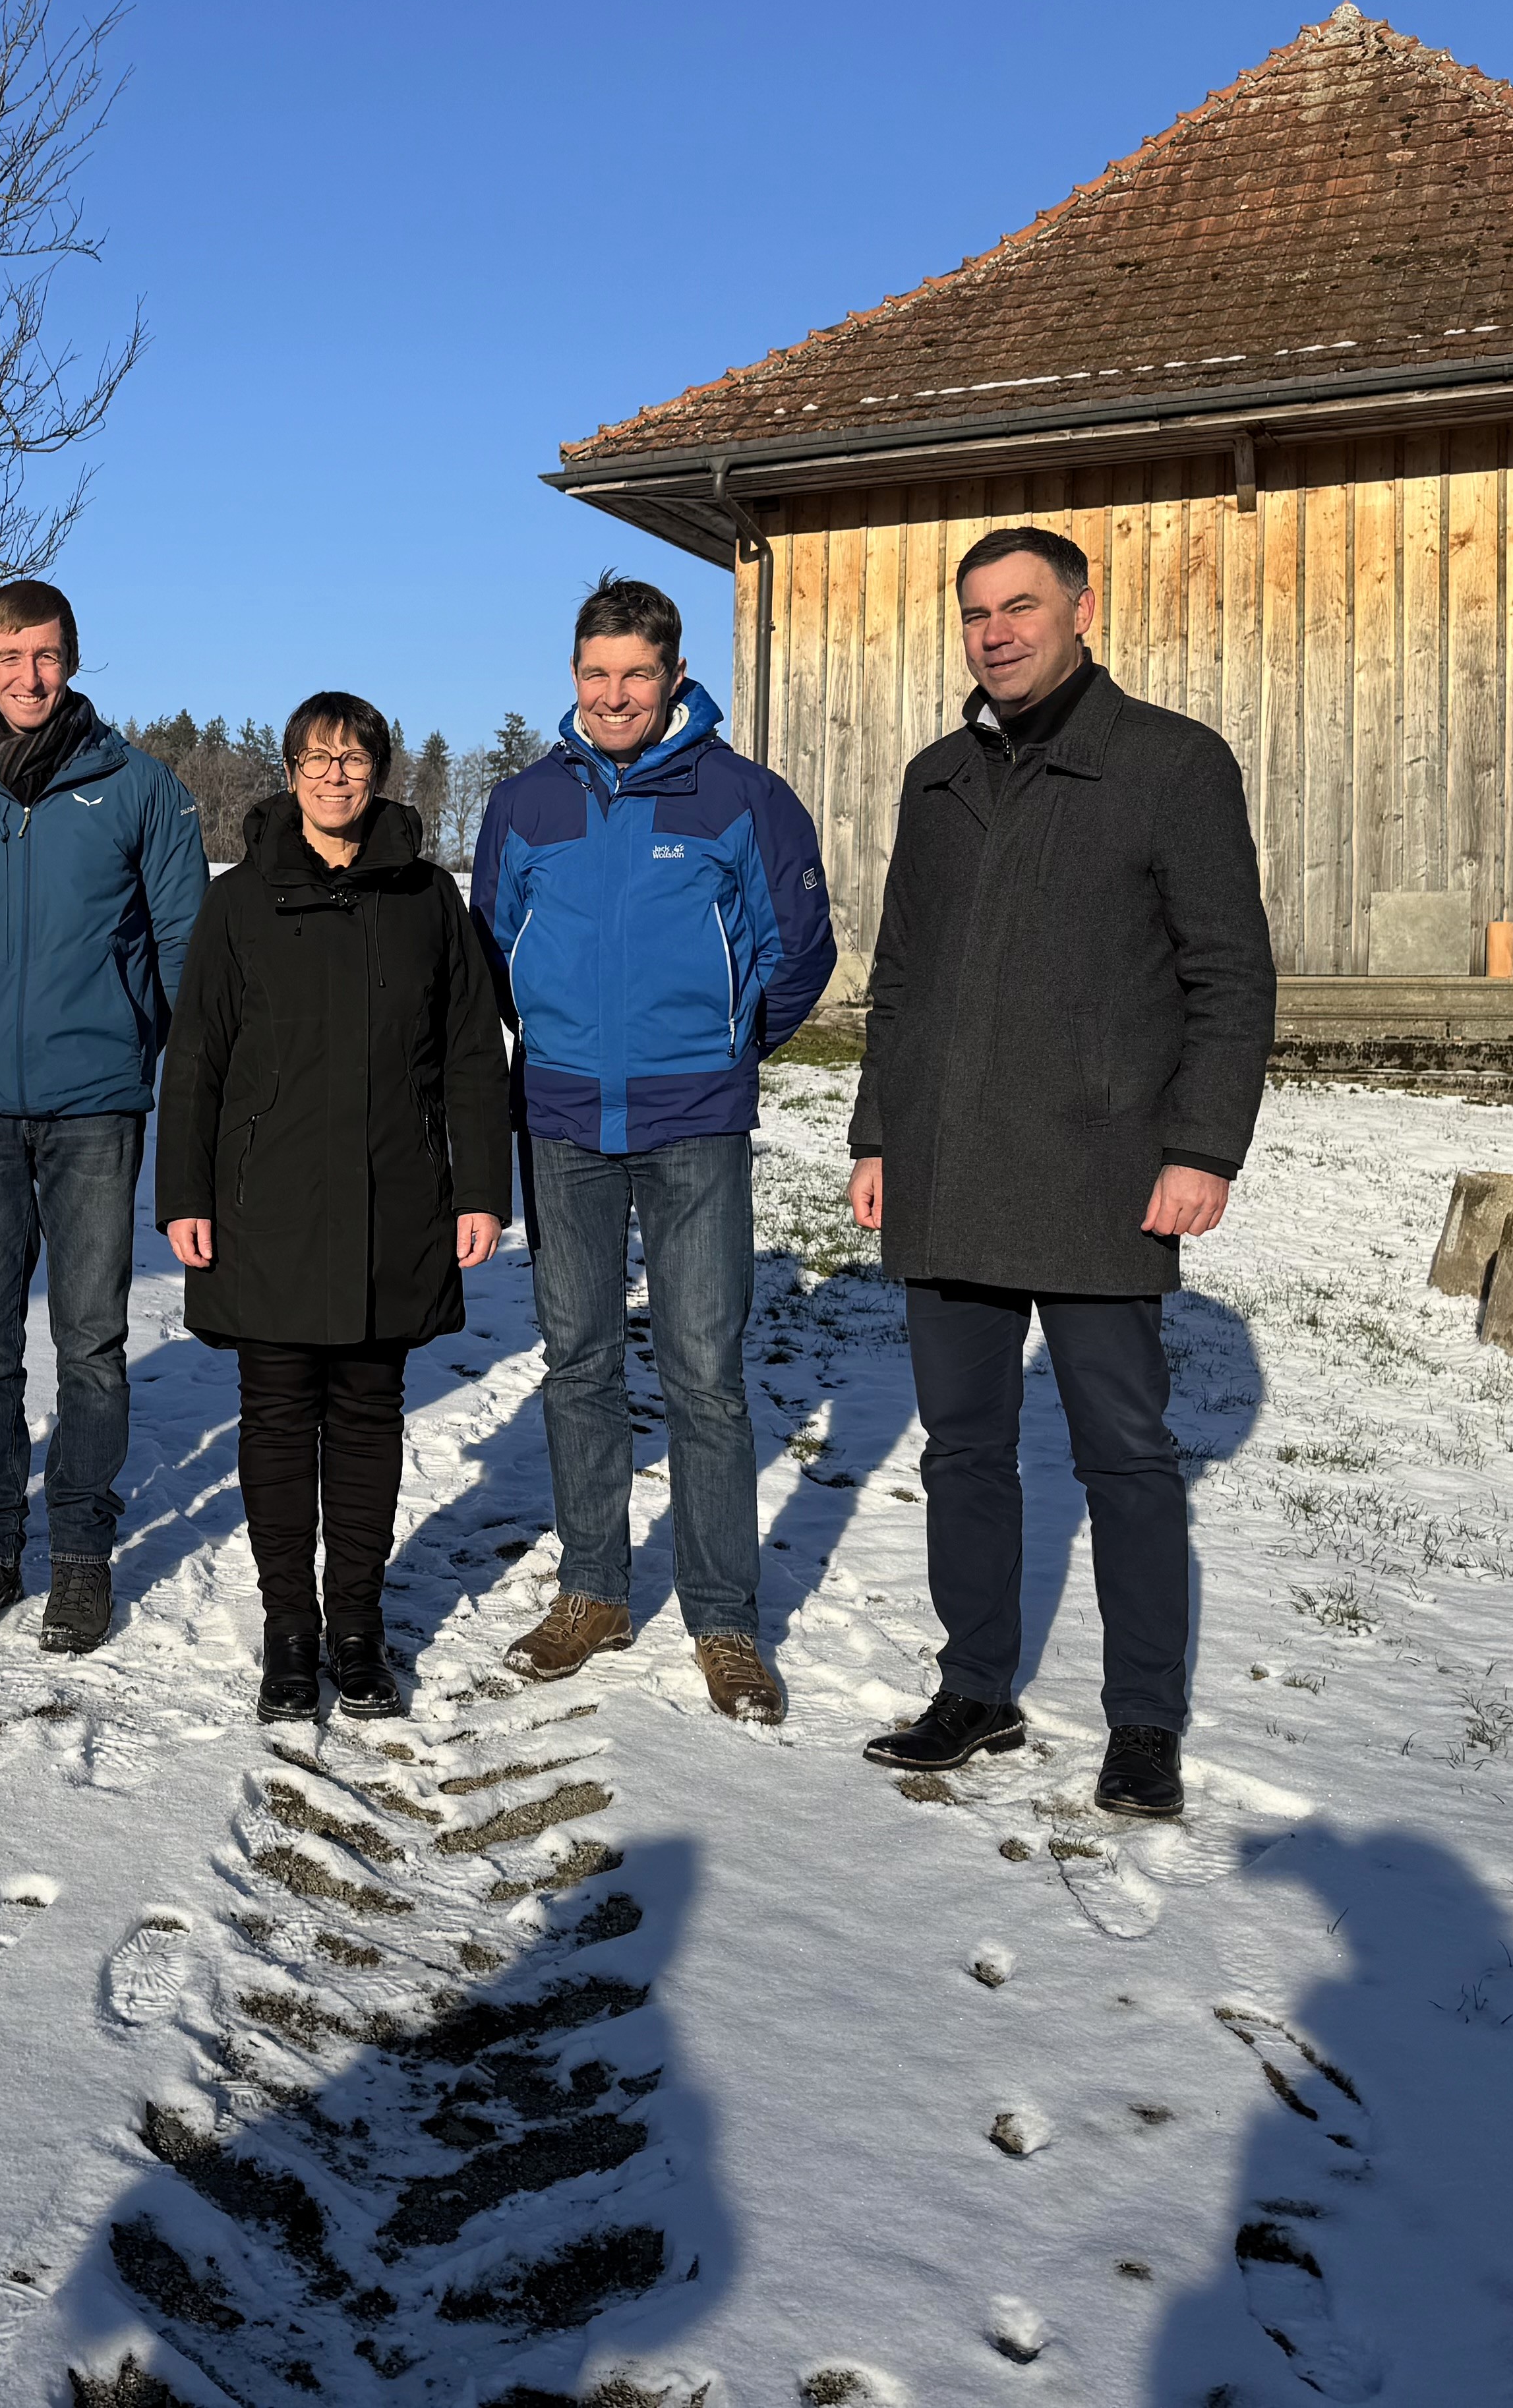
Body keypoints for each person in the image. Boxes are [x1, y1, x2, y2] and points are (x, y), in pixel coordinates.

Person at [846, 524, 1275, 1819]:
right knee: (966, 1452)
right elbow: (903, 980)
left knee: (1126, 1460)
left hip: (1103, 1176)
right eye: (978, 612)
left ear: (1083, 608)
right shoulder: (936, 781)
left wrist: (1202, 1147)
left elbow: (1231, 975)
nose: (997, 632)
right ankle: (976, 1685)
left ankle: (1144, 1720)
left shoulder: (1169, 766)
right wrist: (878, 1132)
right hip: (946, 1168)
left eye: (1021, 607)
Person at [469, 578, 835, 1722]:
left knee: (703, 1375)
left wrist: (726, 1049)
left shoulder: (742, 797)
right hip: (566, 1120)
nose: (614, 695)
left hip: (695, 1125)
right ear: (571, 679)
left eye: (635, 674)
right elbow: (488, 951)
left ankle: (723, 1616)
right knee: (578, 1362)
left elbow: (800, 950)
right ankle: (593, 1592)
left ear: (674, 676)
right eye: (595, 675)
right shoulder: (525, 805)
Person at [157, 691, 510, 1722]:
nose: (333, 777)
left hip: (395, 1200)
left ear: (380, 773)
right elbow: (198, 1061)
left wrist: (480, 1188)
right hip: (264, 1203)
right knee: (274, 1421)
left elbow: (469, 1059)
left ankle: (357, 1627)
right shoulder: (239, 902)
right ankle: (288, 1634)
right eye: (315, 760)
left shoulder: (426, 899)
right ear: (290, 770)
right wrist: (185, 1193)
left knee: (365, 1421)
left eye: (353, 761)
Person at [0, 579, 208, 1654]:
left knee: (93, 1342)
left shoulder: (139, 788)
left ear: (74, 660)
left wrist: (116, 1041)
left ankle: (80, 1552)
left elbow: (180, 950)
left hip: (93, 1106)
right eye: (12, 656)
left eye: (51, 656)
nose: (31, 677)